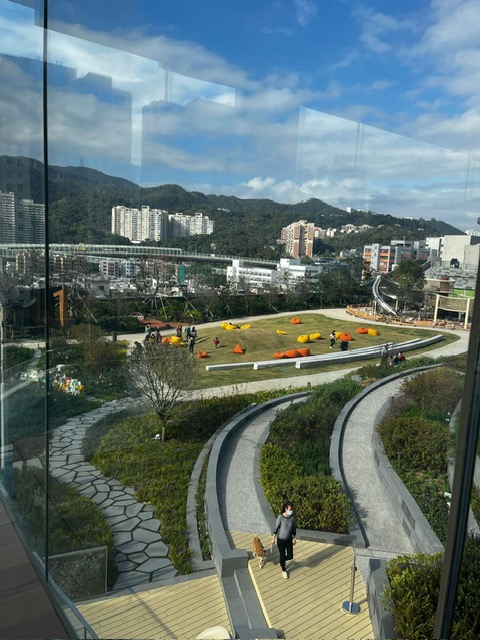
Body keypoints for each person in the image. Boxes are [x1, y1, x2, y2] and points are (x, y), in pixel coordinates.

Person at [272, 500, 297, 579]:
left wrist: (294, 538)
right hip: (281, 540)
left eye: (292, 509)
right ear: (286, 509)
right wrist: (273, 538)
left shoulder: (292, 518)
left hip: (289, 540)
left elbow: (293, 529)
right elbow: (276, 529)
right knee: (282, 556)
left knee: (290, 556)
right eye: (290, 509)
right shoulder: (280, 517)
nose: (291, 511)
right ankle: (283, 570)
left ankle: (282, 561)